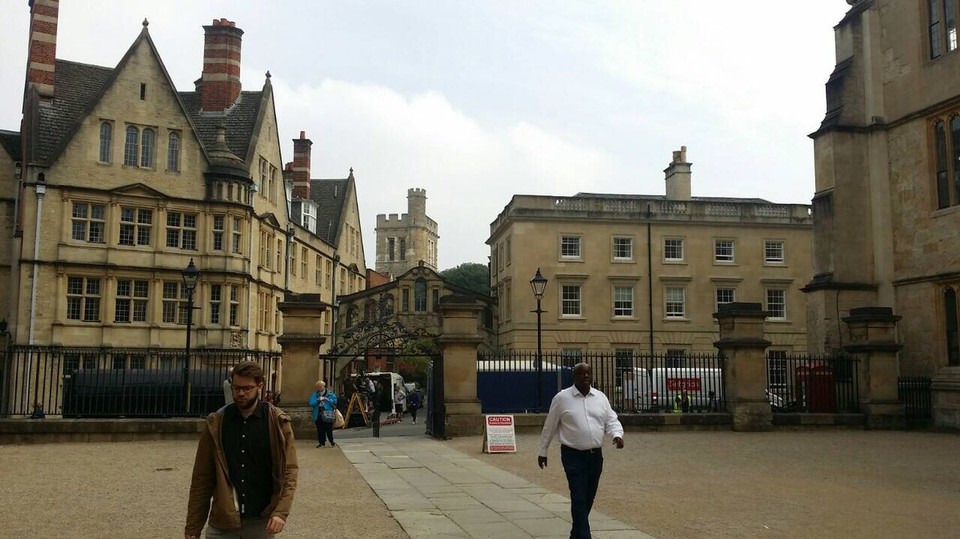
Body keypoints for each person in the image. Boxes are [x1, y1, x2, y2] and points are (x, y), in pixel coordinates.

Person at [185, 361, 298, 539]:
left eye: (247, 388)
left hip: (261, 520)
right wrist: (193, 526)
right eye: (236, 388)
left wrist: (281, 512)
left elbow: (289, 471)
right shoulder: (217, 422)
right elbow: (202, 478)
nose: (240, 393)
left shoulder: (277, 422)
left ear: (259, 387)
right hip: (223, 520)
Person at [538, 363, 624, 539]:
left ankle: (575, 534)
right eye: (581, 373)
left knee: (588, 496)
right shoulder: (562, 398)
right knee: (578, 496)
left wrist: (616, 434)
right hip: (573, 455)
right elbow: (550, 426)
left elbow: (611, 420)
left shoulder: (600, 397)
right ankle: (585, 536)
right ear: (574, 376)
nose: (585, 376)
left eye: (588, 373)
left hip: (595, 456)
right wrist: (543, 450)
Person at [309, 380, 337, 448]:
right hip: (318, 413)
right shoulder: (315, 395)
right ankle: (322, 443)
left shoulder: (330, 394)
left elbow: (335, 402)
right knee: (320, 429)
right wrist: (318, 400)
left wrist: (328, 399)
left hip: (328, 413)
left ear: (324, 386)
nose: (319, 388)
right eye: (318, 387)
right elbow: (311, 403)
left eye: (320, 386)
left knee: (328, 429)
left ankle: (331, 441)